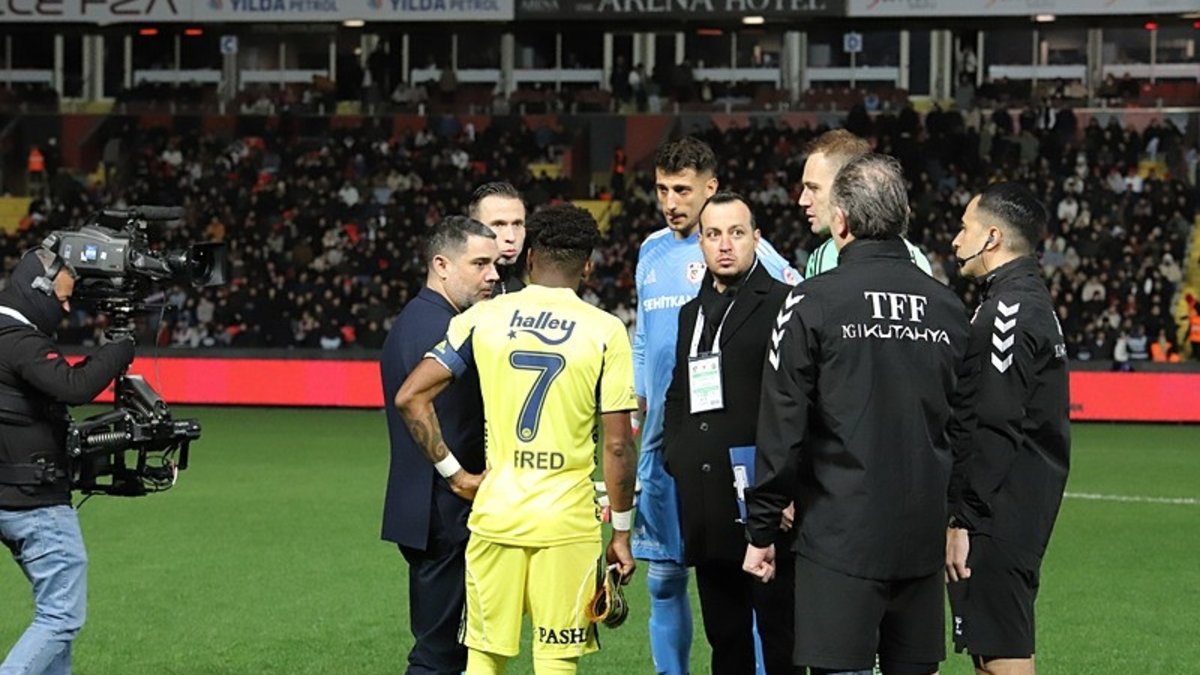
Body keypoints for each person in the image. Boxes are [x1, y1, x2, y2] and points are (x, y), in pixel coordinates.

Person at [744, 154, 975, 675]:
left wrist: (762, 531)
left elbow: (782, 423)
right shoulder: (948, 308)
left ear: (841, 222)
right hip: (920, 541)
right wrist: (957, 517)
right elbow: (965, 428)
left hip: (839, 540)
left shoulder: (810, 301)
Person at [395, 204, 638, 675]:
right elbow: (616, 446)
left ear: (528, 259)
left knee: (484, 658)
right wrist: (622, 533)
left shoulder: (484, 317)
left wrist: (456, 474)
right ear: (587, 266)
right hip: (566, 522)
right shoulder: (606, 331)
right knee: (555, 660)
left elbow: (411, 397)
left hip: (495, 514)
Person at [632, 136, 799, 674]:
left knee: (762, 598)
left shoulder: (758, 260)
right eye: (661, 189)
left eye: (682, 190)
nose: (669, 201)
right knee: (664, 578)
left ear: (711, 188)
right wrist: (644, 403)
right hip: (672, 448)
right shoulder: (650, 251)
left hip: (746, 462)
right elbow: (645, 339)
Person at [945, 183, 1071, 675]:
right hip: (1016, 504)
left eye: (964, 228)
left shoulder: (1008, 311)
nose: (956, 240)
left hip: (999, 509)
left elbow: (994, 422)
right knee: (990, 647)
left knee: (1002, 652)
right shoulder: (1025, 300)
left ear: (991, 237)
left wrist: (964, 519)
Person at [0, 248, 136, 674]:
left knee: (55, 621)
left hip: (11, 491)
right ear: (35, 290)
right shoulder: (17, 340)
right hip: (34, 499)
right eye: (60, 299)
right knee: (61, 616)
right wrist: (118, 350)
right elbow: (73, 386)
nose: (64, 310)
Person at [380, 216, 500, 674]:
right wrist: (459, 475)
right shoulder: (443, 329)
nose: (493, 274)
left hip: (424, 509)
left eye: (494, 264)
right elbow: (418, 407)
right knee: (438, 657)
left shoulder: (419, 317)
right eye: (480, 264)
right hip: (444, 514)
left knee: (447, 650)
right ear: (442, 265)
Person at [798, 130, 933, 277]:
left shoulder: (826, 259)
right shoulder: (917, 261)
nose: (802, 200)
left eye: (814, 188)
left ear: (846, 186)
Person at [468, 182, 527, 295]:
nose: (511, 237)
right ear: (474, 229)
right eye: (499, 225)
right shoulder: (458, 294)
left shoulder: (521, 292)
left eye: (517, 224)